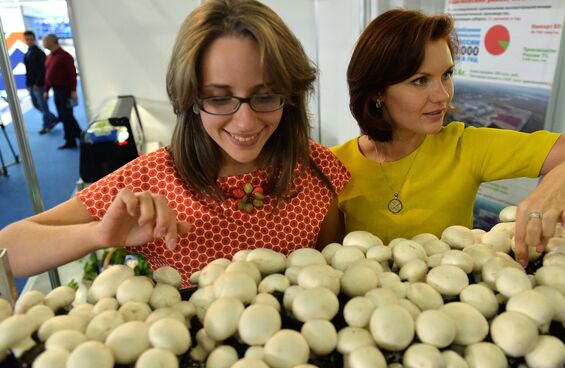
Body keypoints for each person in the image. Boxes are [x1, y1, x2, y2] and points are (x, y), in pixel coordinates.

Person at [0, 0, 349, 288]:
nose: (245, 122)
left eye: (266, 95)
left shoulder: (315, 168)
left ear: (291, 94)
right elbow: (8, 249)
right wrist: (98, 234)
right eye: (218, 98)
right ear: (189, 99)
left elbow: (329, 279)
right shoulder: (152, 179)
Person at [332, 9, 565, 266]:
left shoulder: (466, 146)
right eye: (420, 81)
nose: (443, 95)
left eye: (447, 75)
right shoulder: (333, 164)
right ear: (376, 93)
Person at [43, 33, 82, 149]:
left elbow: (72, 75)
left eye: (45, 41)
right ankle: (70, 140)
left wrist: (73, 91)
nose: (43, 43)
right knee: (63, 116)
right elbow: (48, 75)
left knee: (67, 116)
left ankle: (83, 138)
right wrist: (46, 90)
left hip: (65, 90)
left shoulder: (65, 56)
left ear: (52, 41)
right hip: (56, 91)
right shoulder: (50, 56)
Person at [23, 30, 57, 134]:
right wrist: (28, 84)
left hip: (39, 85)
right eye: (27, 39)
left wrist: (37, 83)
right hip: (31, 85)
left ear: (34, 39)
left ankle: (47, 125)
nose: (29, 41)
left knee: (43, 105)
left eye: (31, 39)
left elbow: (43, 70)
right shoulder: (28, 52)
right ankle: (52, 118)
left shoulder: (39, 53)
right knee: (36, 104)